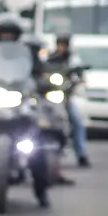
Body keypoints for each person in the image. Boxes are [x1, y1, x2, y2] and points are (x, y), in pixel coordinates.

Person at [42, 33, 91, 168]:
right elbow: (42, 73)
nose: (61, 47)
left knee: (77, 122)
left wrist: (78, 79)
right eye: (60, 44)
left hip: (65, 97)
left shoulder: (73, 60)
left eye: (64, 45)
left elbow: (80, 75)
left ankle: (81, 154)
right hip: (50, 97)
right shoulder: (50, 59)